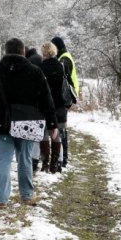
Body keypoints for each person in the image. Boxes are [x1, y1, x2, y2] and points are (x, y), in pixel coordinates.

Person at [0, 38, 57, 207]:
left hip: (1, 122)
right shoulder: (35, 71)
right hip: (27, 122)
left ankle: (0, 200)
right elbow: (46, 99)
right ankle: (26, 196)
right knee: (25, 159)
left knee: (2, 161)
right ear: (23, 52)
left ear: (5, 51)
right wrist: (52, 124)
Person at [51, 36, 79, 168]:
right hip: (66, 97)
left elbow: (65, 80)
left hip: (64, 98)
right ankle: (62, 157)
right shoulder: (65, 56)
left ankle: (64, 158)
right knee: (61, 129)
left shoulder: (64, 59)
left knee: (61, 129)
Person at [39, 42, 67, 173]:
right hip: (59, 105)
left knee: (44, 134)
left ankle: (45, 163)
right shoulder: (60, 66)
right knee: (57, 134)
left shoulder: (40, 67)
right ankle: (55, 163)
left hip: (44, 104)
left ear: (43, 52)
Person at [25, 47, 43, 172]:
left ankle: (34, 161)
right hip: (40, 101)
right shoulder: (39, 59)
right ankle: (37, 159)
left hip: (34, 103)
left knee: (33, 134)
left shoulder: (30, 62)